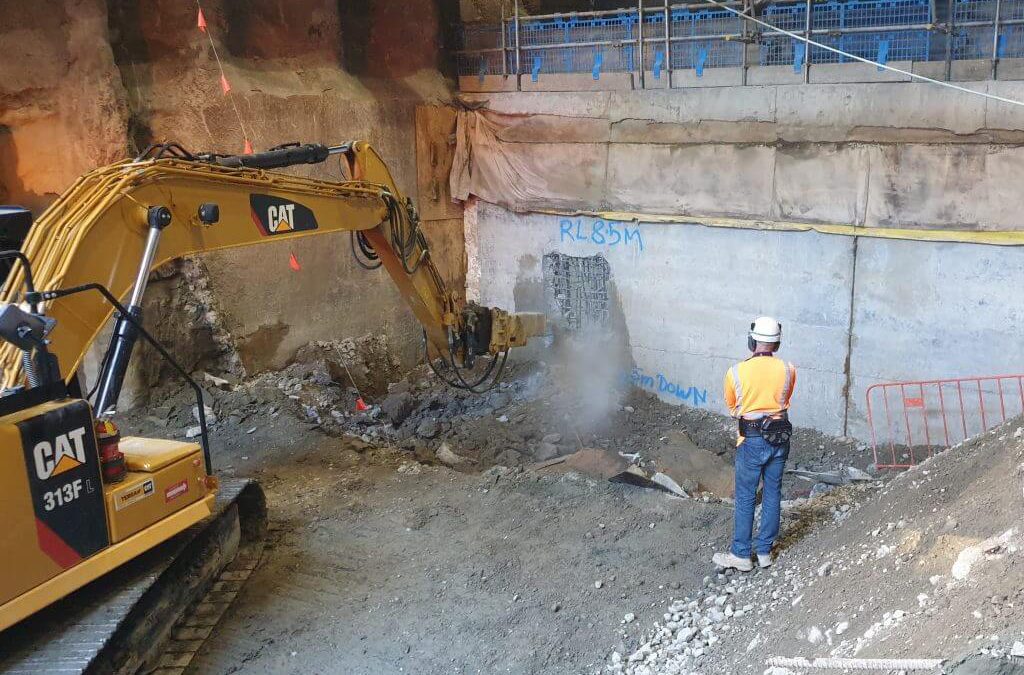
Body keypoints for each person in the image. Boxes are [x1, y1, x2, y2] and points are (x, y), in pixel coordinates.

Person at [712, 316, 796, 572]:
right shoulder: (789, 370)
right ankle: (764, 552)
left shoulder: (736, 372)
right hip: (780, 437)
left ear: (752, 341)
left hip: (751, 439)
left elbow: (732, 406)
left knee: (747, 496)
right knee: (773, 492)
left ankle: (741, 554)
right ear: (777, 344)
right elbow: (787, 398)